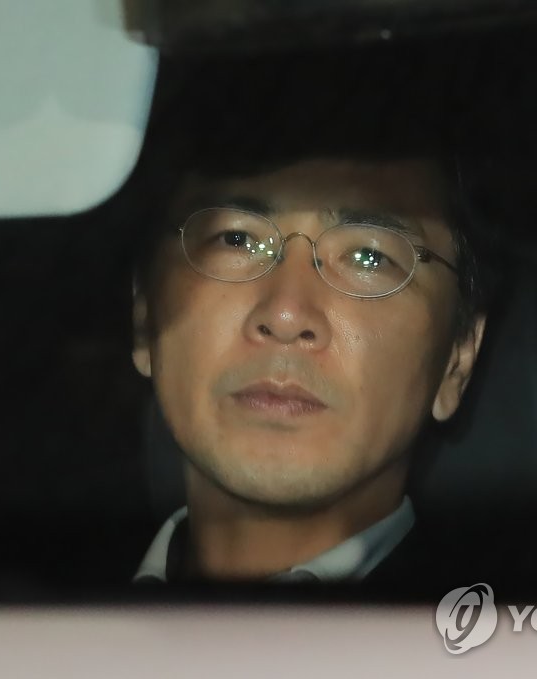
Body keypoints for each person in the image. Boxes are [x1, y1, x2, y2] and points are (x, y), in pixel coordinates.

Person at [126, 48, 499, 584]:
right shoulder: (28, 614)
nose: (284, 314)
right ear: (144, 316)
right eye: (237, 239)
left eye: (368, 257)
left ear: (457, 361)